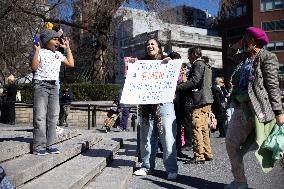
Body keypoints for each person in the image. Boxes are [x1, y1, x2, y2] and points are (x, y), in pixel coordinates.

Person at [225, 27, 284, 189]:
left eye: (246, 38)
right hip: (241, 108)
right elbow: (230, 55)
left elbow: (273, 86)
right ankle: (240, 181)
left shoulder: (267, 57)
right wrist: (235, 45)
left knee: (272, 146)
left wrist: (278, 112)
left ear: (255, 40)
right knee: (231, 143)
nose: (243, 40)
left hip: (260, 109)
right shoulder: (244, 57)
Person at [133, 38, 178, 180]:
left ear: (159, 47)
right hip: (146, 105)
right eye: (148, 44)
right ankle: (146, 166)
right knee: (146, 137)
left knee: (167, 137)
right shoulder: (141, 63)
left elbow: (176, 74)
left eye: (153, 44)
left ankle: (171, 169)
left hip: (164, 104)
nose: (150, 46)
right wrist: (133, 66)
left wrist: (170, 63)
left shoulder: (167, 60)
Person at [31, 28, 74, 156]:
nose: (57, 41)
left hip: (54, 87)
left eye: (57, 39)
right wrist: (36, 51)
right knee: (39, 116)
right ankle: (39, 146)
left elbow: (71, 63)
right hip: (41, 85)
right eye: (54, 39)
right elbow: (34, 67)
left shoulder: (58, 54)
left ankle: (50, 144)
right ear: (46, 41)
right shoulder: (40, 52)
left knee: (54, 116)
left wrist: (67, 48)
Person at [176, 46, 213, 164]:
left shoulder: (197, 64)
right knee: (203, 128)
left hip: (199, 99)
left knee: (196, 127)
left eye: (189, 54)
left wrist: (178, 87)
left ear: (193, 54)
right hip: (207, 99)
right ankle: (207, 152)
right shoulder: (206, 64)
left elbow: (194, 81)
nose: (188, 57)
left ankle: (199, 155)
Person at [168, 52, 191, 158]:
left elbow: (185, 83)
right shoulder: (167, 68)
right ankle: (172, 148)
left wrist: (183, 75)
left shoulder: (182, 69)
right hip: (171, 101)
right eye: (176, 59)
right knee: (172, 126)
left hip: (180, 101)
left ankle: (177, 148)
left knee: (178, 125)